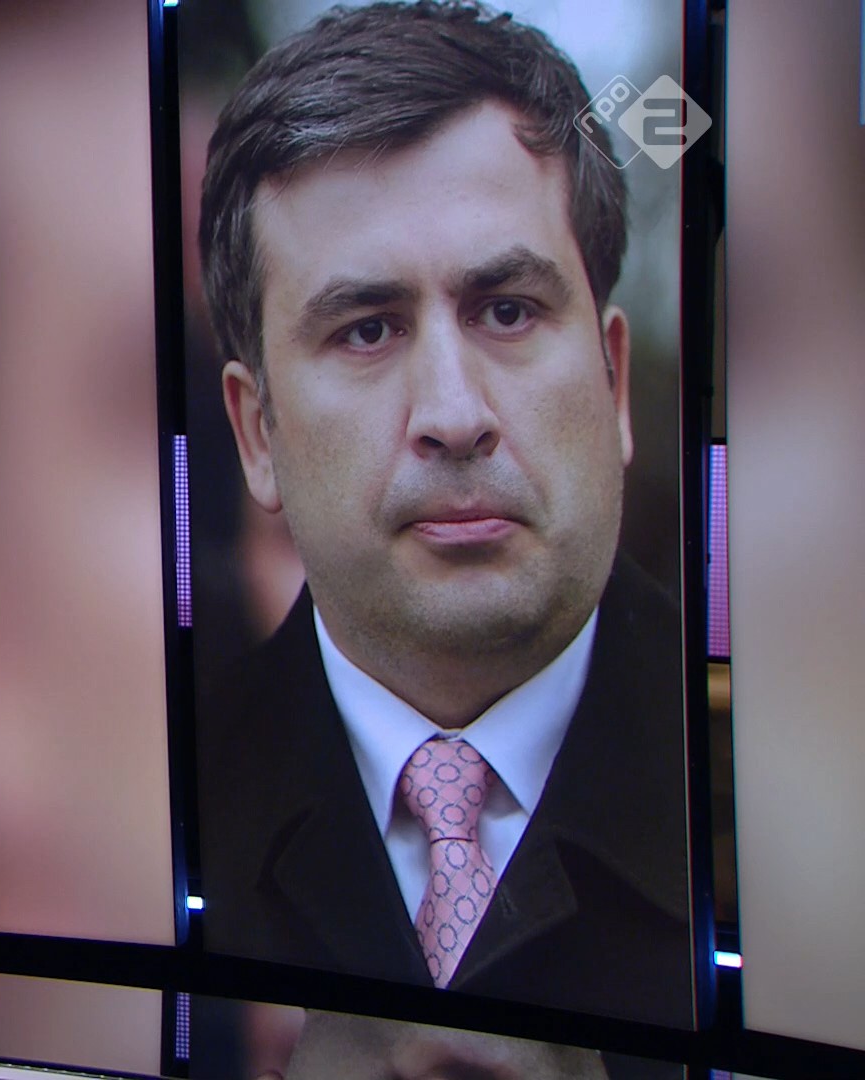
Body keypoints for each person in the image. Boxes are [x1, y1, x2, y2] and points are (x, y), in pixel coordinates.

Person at [193, 1, 690, 1026]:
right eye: (367, 330)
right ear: (256, 432)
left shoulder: (803, 802)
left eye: (507, 311)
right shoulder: (133, 822)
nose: (454, 416)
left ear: (614, 381)